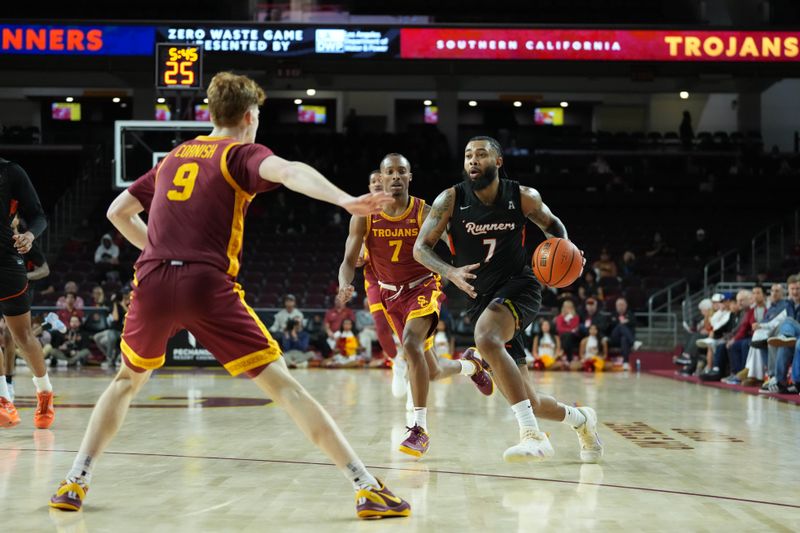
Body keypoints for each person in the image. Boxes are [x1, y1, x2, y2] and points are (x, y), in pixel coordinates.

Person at [49, 71, 409, 520]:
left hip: (153, 280)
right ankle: (365, 486)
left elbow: (116, 212)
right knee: (285, 387)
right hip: (206, 284)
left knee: (125, 381)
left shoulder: (175, 155)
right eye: (257, 116)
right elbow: (290, 171)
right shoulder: (241, 153)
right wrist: (343, 200)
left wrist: (162, 249)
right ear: (249, 116)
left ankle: (74, 480)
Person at [413, 136, 603, 463]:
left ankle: (532, 436)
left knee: (485, 338)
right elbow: (421, 248)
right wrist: (451, 272)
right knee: (529, 398)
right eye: (468, 155)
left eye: (482, 155)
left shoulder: (523, 197)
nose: (473, 160)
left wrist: (570, 255)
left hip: (520, 286)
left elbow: (553, 226)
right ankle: (582, 419)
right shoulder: (450, 200)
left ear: (498, 162)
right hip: (482, 300)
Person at [337, 152, 494, 459]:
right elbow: (347, 261)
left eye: (401, 172)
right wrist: (345, 283)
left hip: (423, 287)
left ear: (410, 177)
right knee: (432, 370)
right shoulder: (364, 215)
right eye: (389, 172)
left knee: (409, 345)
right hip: (390, 294)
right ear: (380, 179)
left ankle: (418, 428)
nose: (395, 177)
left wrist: (461, 267)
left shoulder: (425, 212)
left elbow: (455, 246)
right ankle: (470, 365)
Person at [0, 158, 55, 429]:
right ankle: (3, 399)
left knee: (22, 337)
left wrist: (31, 236)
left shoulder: (10, 172)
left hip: (6, 261)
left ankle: (45, 393)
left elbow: (38, 216)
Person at [351, 170, 405, 395]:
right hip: (375, 279)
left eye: (378, 181)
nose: (374, 184)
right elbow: (355, 254)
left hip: (401, 278)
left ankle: (412, 365)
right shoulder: (362, 214)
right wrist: (359, 256)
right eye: (371, 181)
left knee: (405, 332)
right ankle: (397, 362)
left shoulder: (401, 208)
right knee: (381, 326)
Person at [607, 297, 641, 370]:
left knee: (624, 339)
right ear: (616, 306)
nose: (620, 307)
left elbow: (635, 323)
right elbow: (609, 326)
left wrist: (627, 322)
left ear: (626, 306)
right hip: (614, 338)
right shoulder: (612, 315)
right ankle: (634, 342)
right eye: (619, 305)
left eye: (622, 305)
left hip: (625, 339)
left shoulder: (630, 315)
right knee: (620, 326)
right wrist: (621, 323)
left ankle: (625, 362)